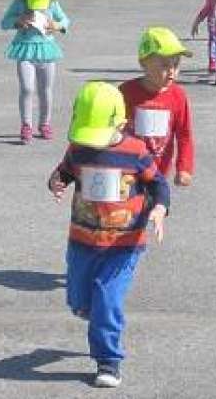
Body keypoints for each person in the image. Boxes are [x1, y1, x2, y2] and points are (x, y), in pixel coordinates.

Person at [47, 81, 170, 389]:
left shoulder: (135, 151)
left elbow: (158, 184)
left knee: (108, 297)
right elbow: (65, 170)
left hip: (124, 243)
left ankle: (108, 361)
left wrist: (160, 209)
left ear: (122, 122)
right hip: (82, 240)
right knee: (78, 299)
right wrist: (55, 181)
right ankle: (91, 310)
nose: (94, 145)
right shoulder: (78, 147)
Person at [0, 0, 70, 143]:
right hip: (25, 50)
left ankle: (45, 123)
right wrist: (18, 21)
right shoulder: (19, 4)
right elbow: (4, 23)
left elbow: (66, 21)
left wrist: (57, 25)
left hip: (47, 52)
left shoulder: (52, 4)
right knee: (27, 88)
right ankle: (26, 125)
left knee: (45, 90)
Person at [120, 27, 195, 187]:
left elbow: (184, 135)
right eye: (164, 65)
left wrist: (184, 168)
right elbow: (111, 129)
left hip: (158, 173)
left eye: (176, 64)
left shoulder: (178, 96)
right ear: (143, 63)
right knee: (127, 211)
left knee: (156, 210)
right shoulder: (126, 92)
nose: (172, 71)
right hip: (127, 172)